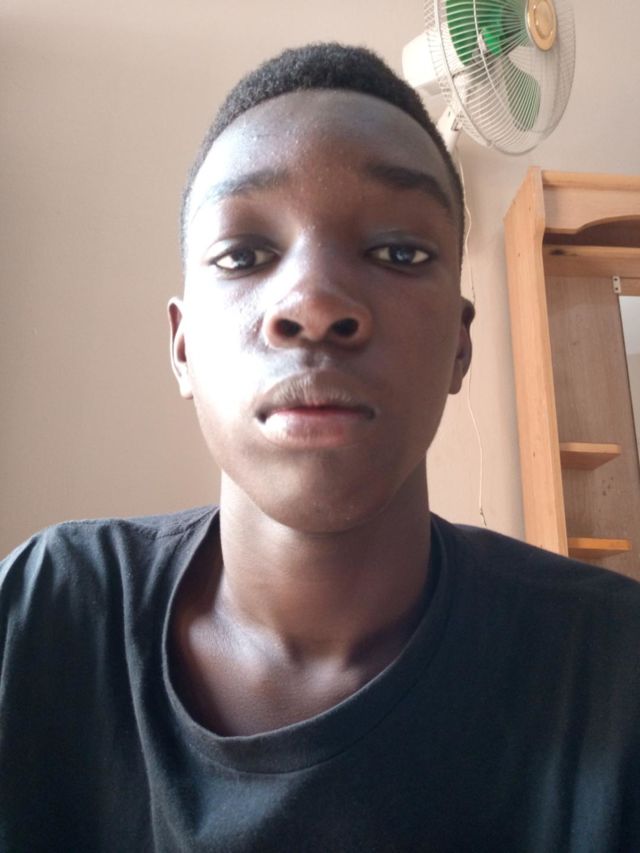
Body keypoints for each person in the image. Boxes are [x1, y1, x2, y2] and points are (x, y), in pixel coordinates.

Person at [1, 42, 638, 853]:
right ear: (183, 347)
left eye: (399, 252)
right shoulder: (44, 613)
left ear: (459, 345)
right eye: (244, 255)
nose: (312, 303)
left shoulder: (613, 670)